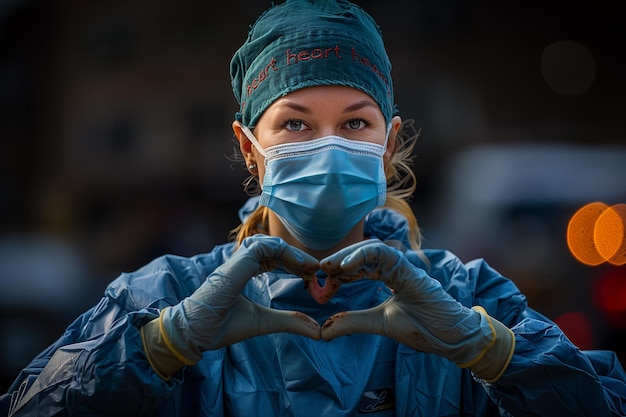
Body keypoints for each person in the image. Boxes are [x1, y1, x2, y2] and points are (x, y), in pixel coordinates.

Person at [2, 0, 626, 415]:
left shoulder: (466, 298)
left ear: (387, 143)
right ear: (250, 148)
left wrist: (494, 353)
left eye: (355, 122)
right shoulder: (162, 297)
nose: (328, 148)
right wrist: (158, 346)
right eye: (296, 126)